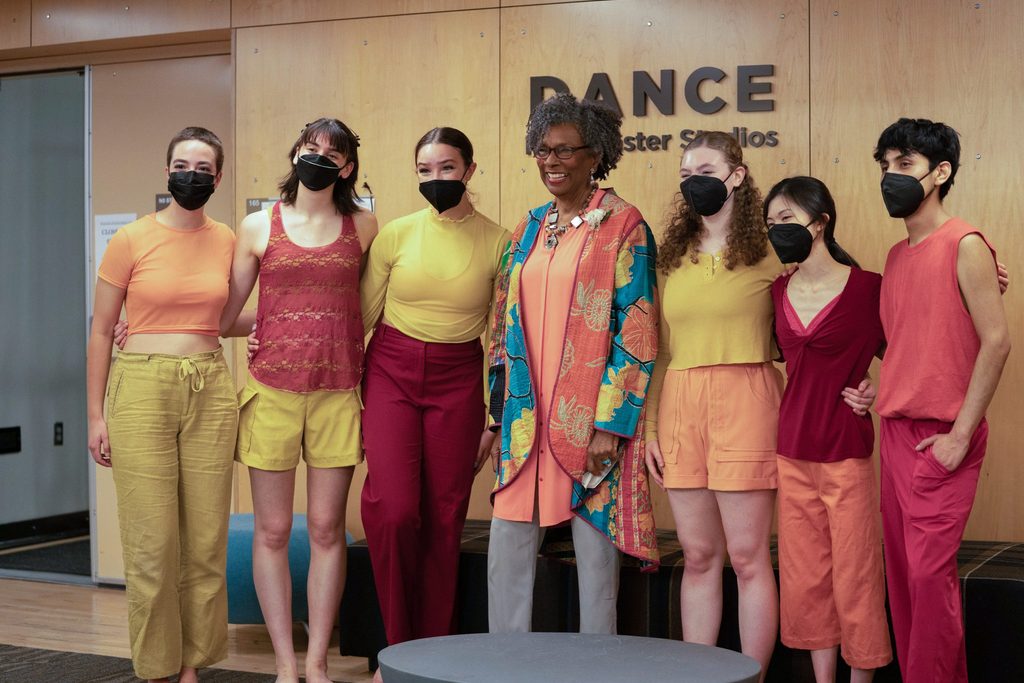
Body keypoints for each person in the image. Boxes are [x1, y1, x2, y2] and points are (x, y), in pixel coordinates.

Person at [484, 92, 660, 635]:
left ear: (595, 155)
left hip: (589, 420)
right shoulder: (529, 226)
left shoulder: (624, 225)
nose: (550, 162)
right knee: (507, 549)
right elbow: (500, 324)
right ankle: (503, 666)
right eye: (541, 151)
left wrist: (611, 422)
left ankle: (596, 667)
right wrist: (496, 414)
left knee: (595, 564)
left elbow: (638, 330)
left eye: (564, 151)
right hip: (523, 416)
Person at [224, 117, 377, 683]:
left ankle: (318, 664)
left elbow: (372, 306)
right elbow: (222, 313)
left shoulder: (363, 225)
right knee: (269, 532)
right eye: (309, 148)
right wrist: (139, 327)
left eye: (330, 153)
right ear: (294, 153)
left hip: (338, 393)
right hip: (270, 393)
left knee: (326, 530)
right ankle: (285, 665)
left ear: (348, 167)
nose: (316, 158)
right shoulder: (258, 225)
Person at [86, 126, 237, 683]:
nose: (191, 175)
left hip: (209, 385)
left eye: (203, 167)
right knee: (152, 545)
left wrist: (281, 328)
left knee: (204, 543)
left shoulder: (228, 240)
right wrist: (96, 415)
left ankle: (192, 664)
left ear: (217, 178)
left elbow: (226, 318)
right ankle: (156, 669)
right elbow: (103, 330)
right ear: (166, 170)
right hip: (140, 389)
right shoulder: (130, 239)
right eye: (182, 164)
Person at [358, 127, 511, 652]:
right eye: (425, 170)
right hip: (390, 373)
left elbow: (504, 339)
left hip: (458, 379)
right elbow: (357, 320)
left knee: (445, 520)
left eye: (447, 168)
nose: (436, 178)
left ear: (469, 170)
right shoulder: (396, 235)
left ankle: (434, 652)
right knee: (397, 512)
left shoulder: (500, 241)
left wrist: (495, 419)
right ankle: (396, 650)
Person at [872, 118, 1009, 683]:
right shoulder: (897, 256)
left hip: (942, 436)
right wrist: (873, 388)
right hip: (896, 433)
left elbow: (997, 342)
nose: (890, 176)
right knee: (904, 579)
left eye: (904, 164)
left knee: (930, 581)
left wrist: (958, 436)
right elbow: (913, 343)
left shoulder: (966, 243)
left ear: (940, 172)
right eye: (884, 165)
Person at [644, 131, 785, 679]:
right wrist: (651, 427)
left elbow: (830, 298)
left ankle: (752, 675)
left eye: (705, 170)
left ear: (737, 176)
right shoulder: (670, 256)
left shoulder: (774, 250)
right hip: (681, 403)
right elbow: (658, 349)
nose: (694, 182)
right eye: (685, 175)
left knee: (749, 559)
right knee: (699, 556)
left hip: (748, 398)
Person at [763, 176, 892, 682]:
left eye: (788, 220)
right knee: (805, 577)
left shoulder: (869, 289)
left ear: (821, 222)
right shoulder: (777, 290)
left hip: (846, 450)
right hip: (791, 448)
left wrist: (878, 391)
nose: (778, 230)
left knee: (856, 575)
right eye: (772, 222)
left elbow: (909, 352)